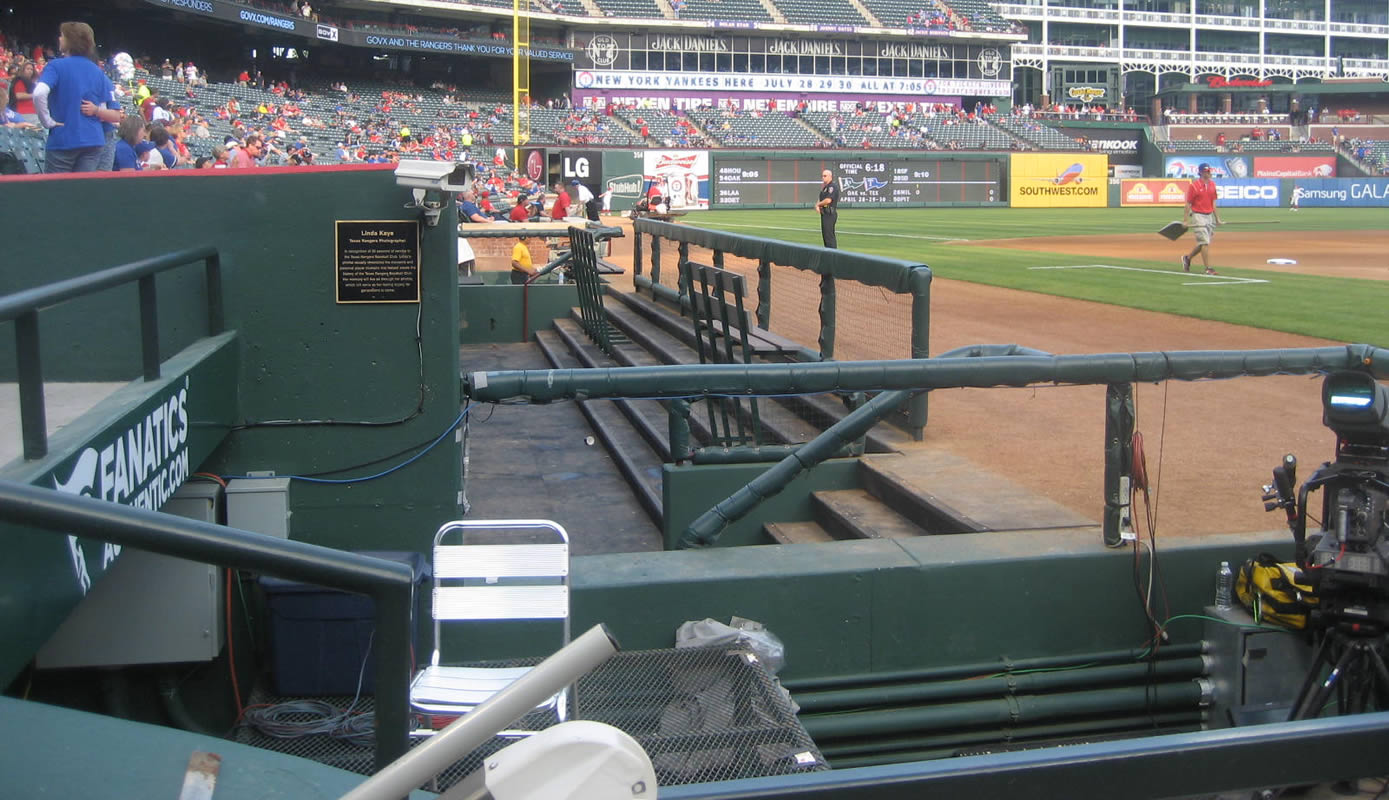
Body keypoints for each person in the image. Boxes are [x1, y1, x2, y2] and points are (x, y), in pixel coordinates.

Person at [33, 22, 115, 173]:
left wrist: (47, 121)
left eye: (62, 36)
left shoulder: (56, 66)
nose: (59, 38)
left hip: (64, 138)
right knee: (81, 194)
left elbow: (39, 93)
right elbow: (104, 109)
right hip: (93, 140)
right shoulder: (98, 72)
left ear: (70, 40)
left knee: (57, 193)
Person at [1180, 163, 1222, 276]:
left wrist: (1217, 218)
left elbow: (1213, 202)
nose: (1208, 173)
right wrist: (1185, 220)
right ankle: (1208, 268)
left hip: (1209, 216)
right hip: (1198, 215)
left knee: (1203, 242)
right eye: (1206, 171)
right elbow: (1188, 204)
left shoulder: (1213, 185)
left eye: (1209, 171)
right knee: (1205, 242)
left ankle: (1187, 258)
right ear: (1201, 172)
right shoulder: (1194, 186)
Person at [815, 168, 839, 249]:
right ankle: (828, 253)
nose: (823, 177)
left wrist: (818, 204)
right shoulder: (825, 188)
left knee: (829, 237)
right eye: (822, 176)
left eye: (825, 176)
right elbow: (821, 198)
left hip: (830, 214)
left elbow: (828, 200)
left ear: (830, 176)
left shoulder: (832, 187)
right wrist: (817, 205)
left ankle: (833, 254)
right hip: (824, 213)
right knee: (825, 236)